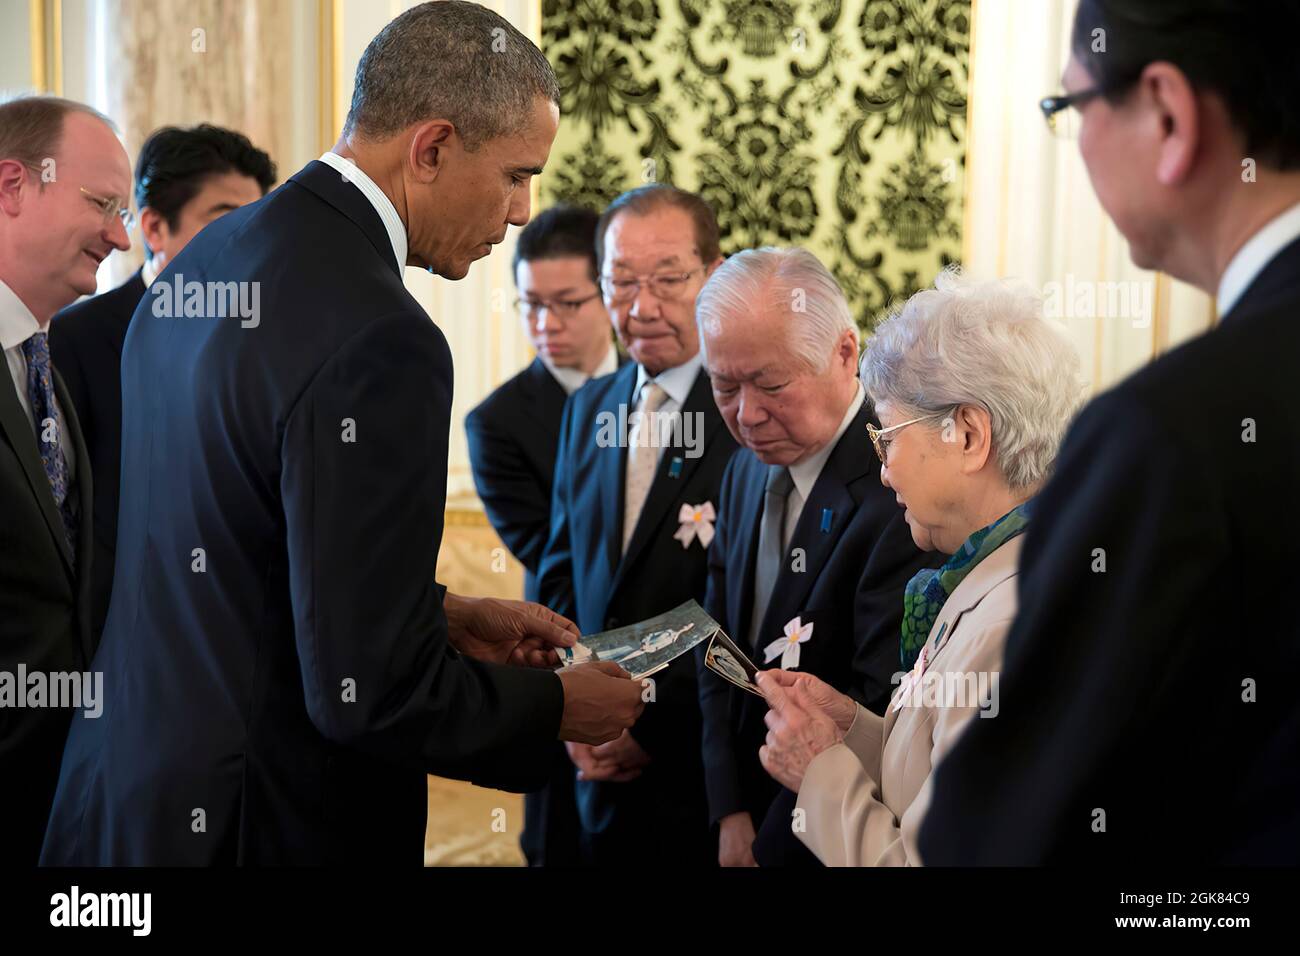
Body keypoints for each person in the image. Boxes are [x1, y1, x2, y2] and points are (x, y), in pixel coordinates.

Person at [39, 1, 642, 867]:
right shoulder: (382, 336)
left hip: (124, 801)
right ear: (430, 148)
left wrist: (439, 615)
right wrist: (558, 711)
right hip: (265, 824)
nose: (520, 210)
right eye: (515, 174)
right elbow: (367, 695)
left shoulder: (207, 258)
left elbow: (232, 549)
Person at [921, 0, 1300, 865]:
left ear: (1167, 114)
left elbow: (1013, 832)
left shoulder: (1167, 434)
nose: (1077, 139)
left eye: (1071, 108)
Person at [757, 270, 1083, 865]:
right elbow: (942, 770)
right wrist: (852, 728)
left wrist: (819, 769)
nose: (884, 471)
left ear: (968, 434)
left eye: (890, 439)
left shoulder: (1008, 620)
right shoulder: (990, 570)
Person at [693, 247, 938, 867]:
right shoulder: (744, 469)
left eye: (772, 385)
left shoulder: (902, 489)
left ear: (845, 353)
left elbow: (878, 708)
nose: (746, 415)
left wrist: (767, 842)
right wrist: (728, 808)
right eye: (724, 387)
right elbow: (716, 642)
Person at [537, 184, 736, 866]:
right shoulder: (589, 405)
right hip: (592, 775)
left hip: (703, 778)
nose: (641, 307)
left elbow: (744, 607)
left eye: (669, 280)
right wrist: (572, 704)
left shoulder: (748, 412)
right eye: (620, 282)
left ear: (713, 273)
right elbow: (562, 572)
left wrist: (649, 722)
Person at [50, 123, 276, 643]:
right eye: (224, 220)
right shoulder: (76, 340)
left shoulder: (267, 341)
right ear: (153, 228)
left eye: (256, 220)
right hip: (115, 640)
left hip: (241, 631)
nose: (247, 239)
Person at [466, 204, 619, 867]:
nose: (545, 325)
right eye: (530, 305)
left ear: (608, 292)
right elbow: (551, 553)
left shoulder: (675, 395)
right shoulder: (496, 423)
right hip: (564, 650)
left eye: (567, 303)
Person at [0, 94, 131, 866]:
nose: (118, 235)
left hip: (65, 810)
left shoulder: (48, 364)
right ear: (12, 186)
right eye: (101, 203)